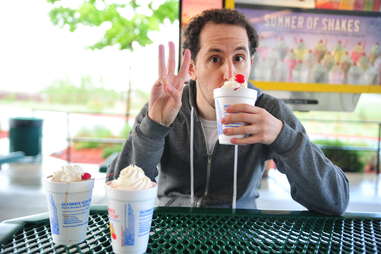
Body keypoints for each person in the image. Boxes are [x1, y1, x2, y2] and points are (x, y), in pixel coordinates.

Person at [107, 9, 349, 215]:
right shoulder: (165, 105)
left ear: (250, 62)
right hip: (172, 231)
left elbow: (335, 201)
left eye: (239, 58)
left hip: (241, 235)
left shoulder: (269, 111)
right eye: (215, 59)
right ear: (192, 68)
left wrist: (283, 137)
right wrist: (154, 127)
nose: (230, 72)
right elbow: (119, 192)